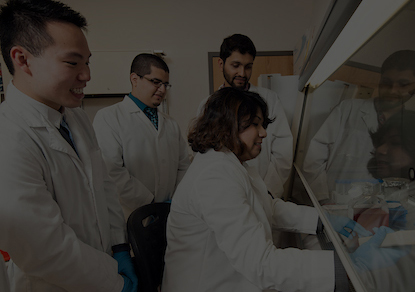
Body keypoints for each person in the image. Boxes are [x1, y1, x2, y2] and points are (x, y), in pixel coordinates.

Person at [161, 87, 402, 292]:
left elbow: (267, 205)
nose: (264, 133)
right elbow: (262, 264)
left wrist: (322, 220)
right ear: (227, 126)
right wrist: (347, 267)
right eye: (255, 125)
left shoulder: (231, 163)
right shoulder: (214, 176)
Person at [0, 1, 137, 291]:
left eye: (87, 62)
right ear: (22, 60)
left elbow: (103, 184)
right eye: (72, 63)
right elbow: (43, 249)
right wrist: (113, 282)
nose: (86, 75)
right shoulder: (8, 137)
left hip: (103, 266)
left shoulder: (75, 117)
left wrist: (120, 246)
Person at [302, 50, 415, 203]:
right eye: (387, 82)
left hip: (382, 212)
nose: (393, 90)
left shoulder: (410, 126)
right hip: (332, 202)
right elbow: (314, 159)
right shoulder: (347, 109)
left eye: (403, 84)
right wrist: (321, 199)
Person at [93, 53, 190, 219]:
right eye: (156, 82)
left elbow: (183, 166)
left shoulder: (171, 124)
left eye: (166, 84)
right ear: (134, 79)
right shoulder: (109, 117)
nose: (162, 89)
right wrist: (150, 203)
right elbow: (112, 171)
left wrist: (175, 200)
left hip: (170, 214)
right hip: (131, 216)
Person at [197, 34, 293, 198]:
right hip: (223, 190)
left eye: (248, 67)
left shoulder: (269, 100)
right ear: (221, 64)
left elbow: (283, 151)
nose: (242, 73)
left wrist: (267, 191)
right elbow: (204, 152)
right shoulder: (208, 104)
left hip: (264, 189)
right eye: (236, 65)